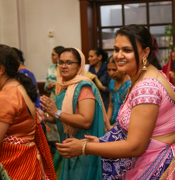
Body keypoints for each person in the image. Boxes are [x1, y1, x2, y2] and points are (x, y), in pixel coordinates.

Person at [56, 25, 175, 179]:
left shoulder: (147, 88)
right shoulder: (149, 75)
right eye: (116, 49)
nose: (119, 55)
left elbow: (135, 147)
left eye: (127, 50)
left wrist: (84, 147)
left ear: (145, 52)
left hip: (158, 167)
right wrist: (102, 141)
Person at [39, 47, 108, 180]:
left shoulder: (84, 87)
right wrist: (45, 116)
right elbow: (64, 118)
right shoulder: (64, 87)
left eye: (69, 62)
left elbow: (86, 121)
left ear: (79, 66)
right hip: (69, 144)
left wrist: (56, 112)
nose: (64, 66)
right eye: (61, 62)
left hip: (83, 147)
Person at [0, 45, 56, 180]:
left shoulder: (7, 95)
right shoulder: (19, 88)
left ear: (1, 69)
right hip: (26, 160)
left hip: (13, 163)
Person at [44, 46, 64, 153]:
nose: (51, 57)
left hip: (62, 98)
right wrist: (49, 85)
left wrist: (56, 84)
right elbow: (46, 84)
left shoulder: (65, 68)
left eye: (53, 54)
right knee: (51, 122)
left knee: (60, 120)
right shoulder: (51, 68)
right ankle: (53, 148)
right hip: (52, 98)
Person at [107, 55, 131, 125]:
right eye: (109, 70)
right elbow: (111, 105)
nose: (111, 73)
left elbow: (129, 111)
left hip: (125, 123)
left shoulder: (130, 84)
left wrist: (116, 126)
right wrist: (107, 124)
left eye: (114, 70)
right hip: (113, 122)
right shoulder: (112, 82)